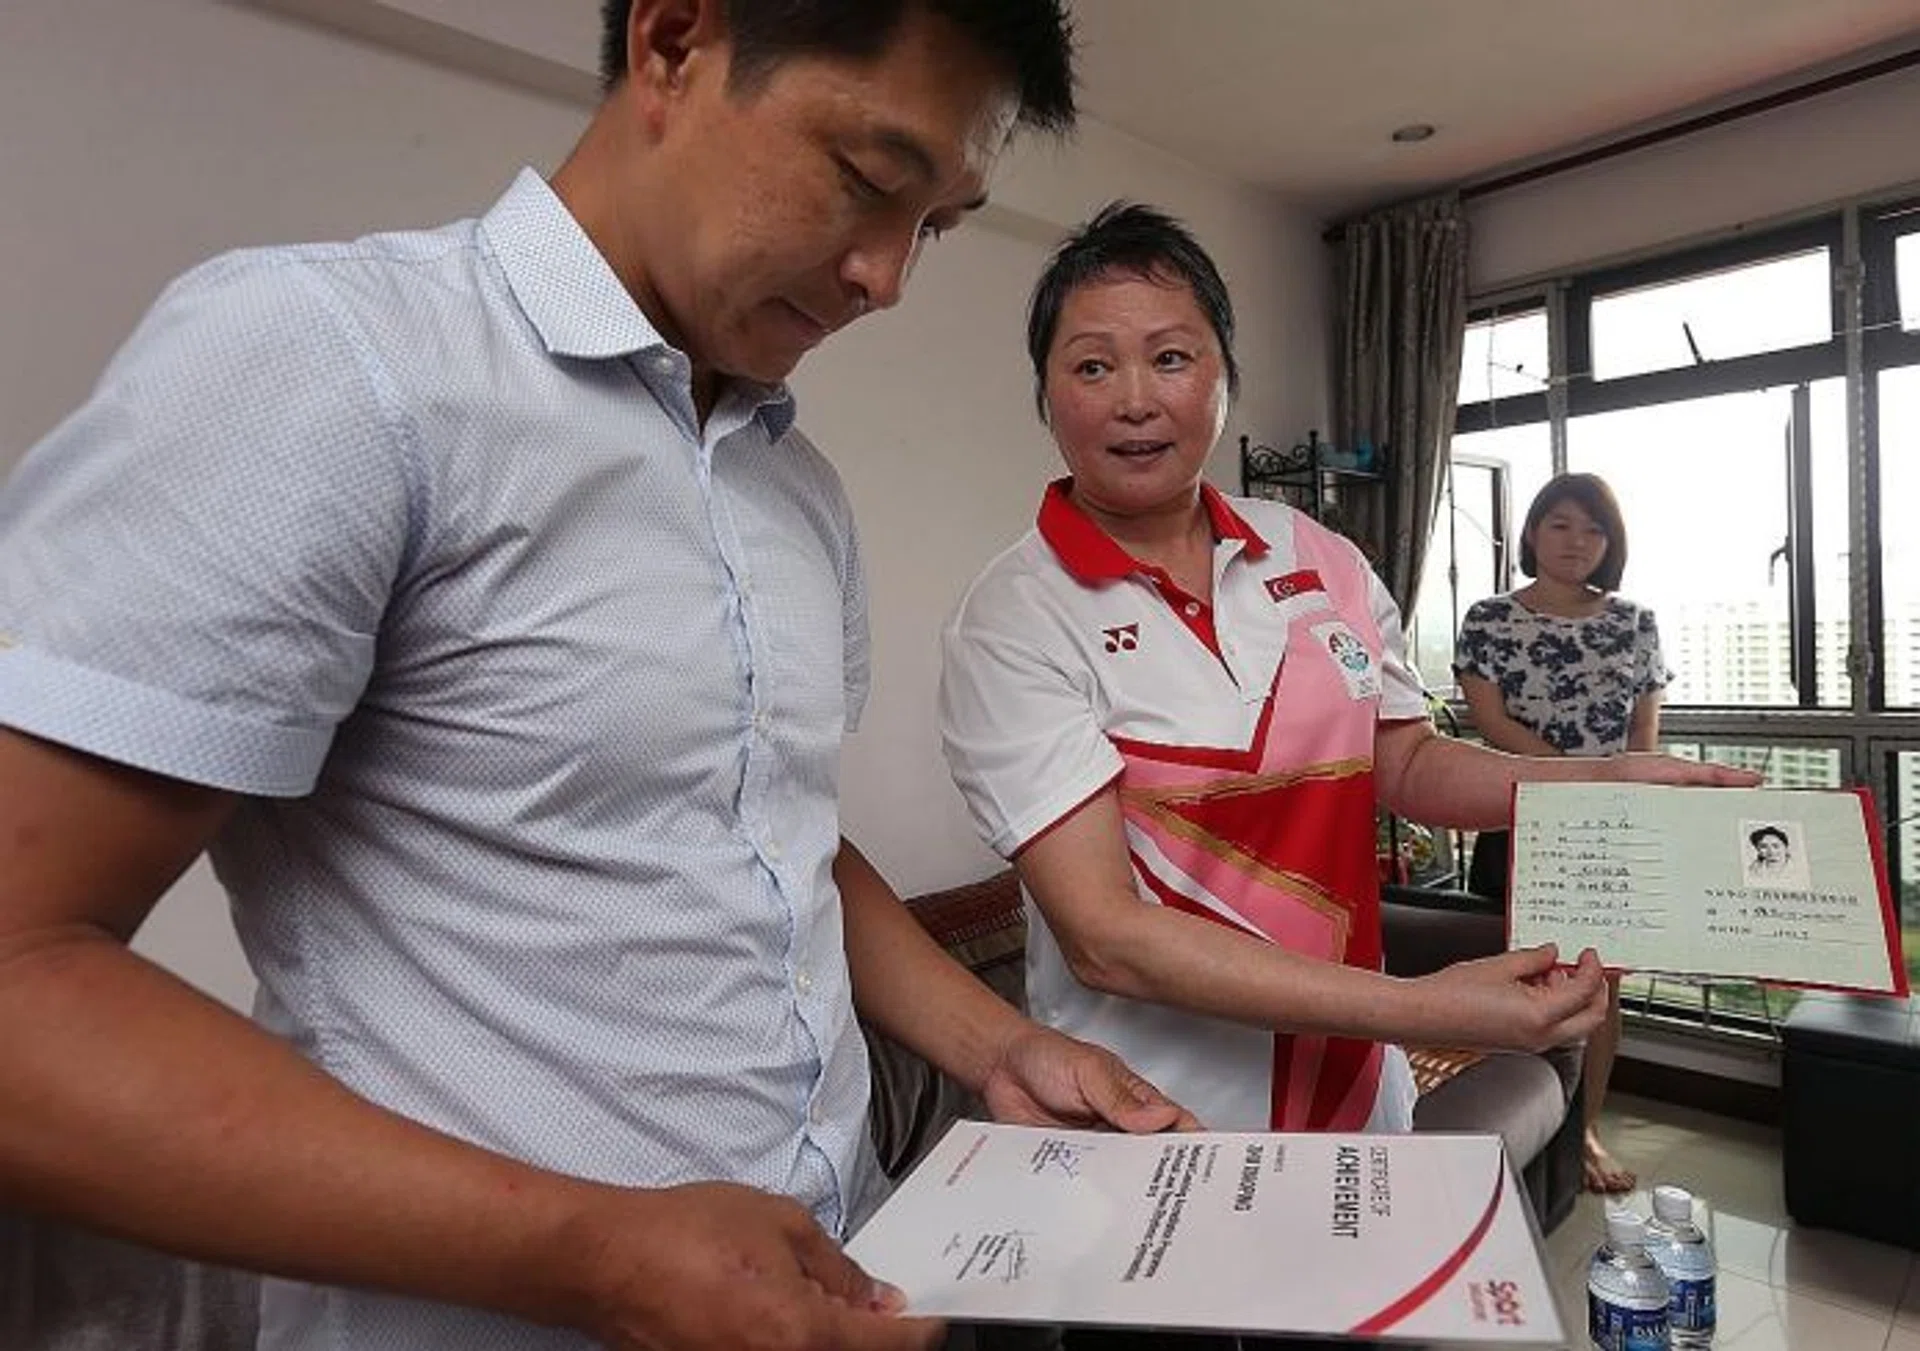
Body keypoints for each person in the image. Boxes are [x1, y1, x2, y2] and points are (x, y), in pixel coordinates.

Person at [0, 5, 1199, 1351]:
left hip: (847, 1287)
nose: (887, 278)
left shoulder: (793, 487)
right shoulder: (335, 361)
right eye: (867, 179)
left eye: (938, 224)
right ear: (675, 43)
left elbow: (770, 829)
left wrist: (991, 1043)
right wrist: (589, 1253)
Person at [937, 202, 1755, 1168]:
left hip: (1357, 1099)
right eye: (1090, 365)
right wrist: (1420, 1006)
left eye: (1170, 357)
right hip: (1150, 1122)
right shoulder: (1016, 615)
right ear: (1046, 394)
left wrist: (1604, 781)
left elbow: (1403, 759)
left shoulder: (1319, 556)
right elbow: (1106, 937)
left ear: (1224, 378)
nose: (1134, 399)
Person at [1453, 471, 1668, 1194]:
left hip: (1610, 826)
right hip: (1518, 814)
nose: (1577, 541)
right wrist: (1575, 779)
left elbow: (1644, 733)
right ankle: (1523, 1114)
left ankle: (1586, 1128)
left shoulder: (1635, 621)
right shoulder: (1487, 618)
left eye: (1593, 529)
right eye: (1561, 524)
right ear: (1533, 533)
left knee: (1600, 982)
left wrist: (1616, 790)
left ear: (1610, 544)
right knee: (1525, 972)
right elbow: (1491, 724)